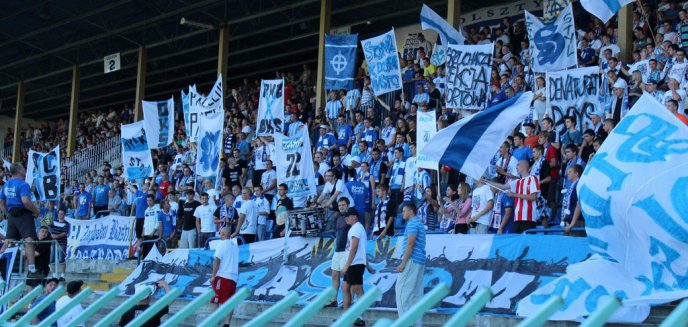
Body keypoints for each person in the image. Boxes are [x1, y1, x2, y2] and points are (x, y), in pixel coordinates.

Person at [0, 163, 41, 276]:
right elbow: (26, 201)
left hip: (12, 214)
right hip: (23, 213)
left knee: (9, 241)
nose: (24, 169)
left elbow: (1, 203)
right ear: (18, 170)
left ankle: (1, 259)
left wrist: (8, 215)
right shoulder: (23, 184)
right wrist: (36, 211)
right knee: (29, 239)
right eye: (23, 168)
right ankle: (32, 269)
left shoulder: (6, 185)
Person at [341, 209, 375, 327]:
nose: (346, 219)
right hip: (354, 263)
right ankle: (346, 317)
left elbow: (354, 248)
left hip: (354, 264)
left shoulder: (356, 228)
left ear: (354, 217)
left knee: (358, 290)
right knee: (345, 287)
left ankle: (360, 318)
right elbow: (362, 249)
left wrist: (346, 265)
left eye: (348, 216)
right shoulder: (356, 228)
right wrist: (368, 265)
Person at [395, 203, 426, 327]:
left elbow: (410, 244)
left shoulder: (412, 223)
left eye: (404, 211)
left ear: (411, 211)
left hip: (412, 260)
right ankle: (417, 324)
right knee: (416, 295)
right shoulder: (419, 223)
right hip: (419, 261)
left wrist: (403, 262)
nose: (402, 213)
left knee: (402, 292)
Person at [492, 160, 541, 233]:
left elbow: (533, 197)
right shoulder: (517, 181)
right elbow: (503, 186)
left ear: (524, 166)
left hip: (529, 218)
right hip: (517, 218)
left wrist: (514, 194)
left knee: (526, 243)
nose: (516, 167)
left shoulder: (533, 179)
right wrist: (486, 181)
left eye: (518, 165)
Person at [210, 227, 239, 327]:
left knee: (215, 300)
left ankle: (213, 323)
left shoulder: (221, 244)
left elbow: (217, 261)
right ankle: (227, 324)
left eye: (220, 233)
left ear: (223, 234)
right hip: (233, 277)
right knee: (229, 302)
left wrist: (213, 276)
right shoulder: (235, 246)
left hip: (223, 276)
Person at [325, 198, 352, 308]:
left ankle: (348, 301)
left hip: (346, 251)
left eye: (343, 205)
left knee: (347, 278)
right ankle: (333, 300)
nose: (341, 207)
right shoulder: (339, 218)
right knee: (335, 275)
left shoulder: (351, 218)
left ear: (348, 205)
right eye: (340, 205)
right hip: (338, 250)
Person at [563, 164, 585, 237]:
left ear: (576, 174)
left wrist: (572, 224)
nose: (567, 173)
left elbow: (578, 205)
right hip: (570, 221)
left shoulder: (579, 185)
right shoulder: (573, 185)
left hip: (577, 222)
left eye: (570, 171)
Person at [48, 209, 69, 278]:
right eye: (59, 214)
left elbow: (65, 233)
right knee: (52, 259)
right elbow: (49, 228)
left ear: (64, 215)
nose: (60, 215)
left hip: (62, 243)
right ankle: (54, 275)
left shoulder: (66, 223)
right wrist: (52, 235)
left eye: (62, 214)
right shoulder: (54, 222)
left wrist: (57, 236)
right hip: (53, 243)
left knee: (61, 259)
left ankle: (62, 275)